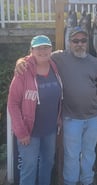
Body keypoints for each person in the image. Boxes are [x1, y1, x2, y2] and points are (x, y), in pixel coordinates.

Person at [16, 26, 97, 185]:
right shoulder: (59, 57)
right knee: (71, 154)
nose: (79, 44)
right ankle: (70, 182)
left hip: (92, 118)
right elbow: (38, 55)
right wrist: (20, 61)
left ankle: (87, 180)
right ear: (69, 42)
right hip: (71, 118)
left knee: (89, 153)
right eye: (75, 41)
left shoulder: (94, 62)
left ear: (87, 42)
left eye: (83, 40)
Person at [8, 35, 63, 185]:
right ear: (31, 50)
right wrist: (21, 132)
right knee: (29, 168)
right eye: (38, 48)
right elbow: (12, 104)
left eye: (46, 47)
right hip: (29, 132)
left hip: (50, 130)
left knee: (47, 164)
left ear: (51, 49)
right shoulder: (23, 71)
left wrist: (58, 118)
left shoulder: (54, 65)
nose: (43, 50)